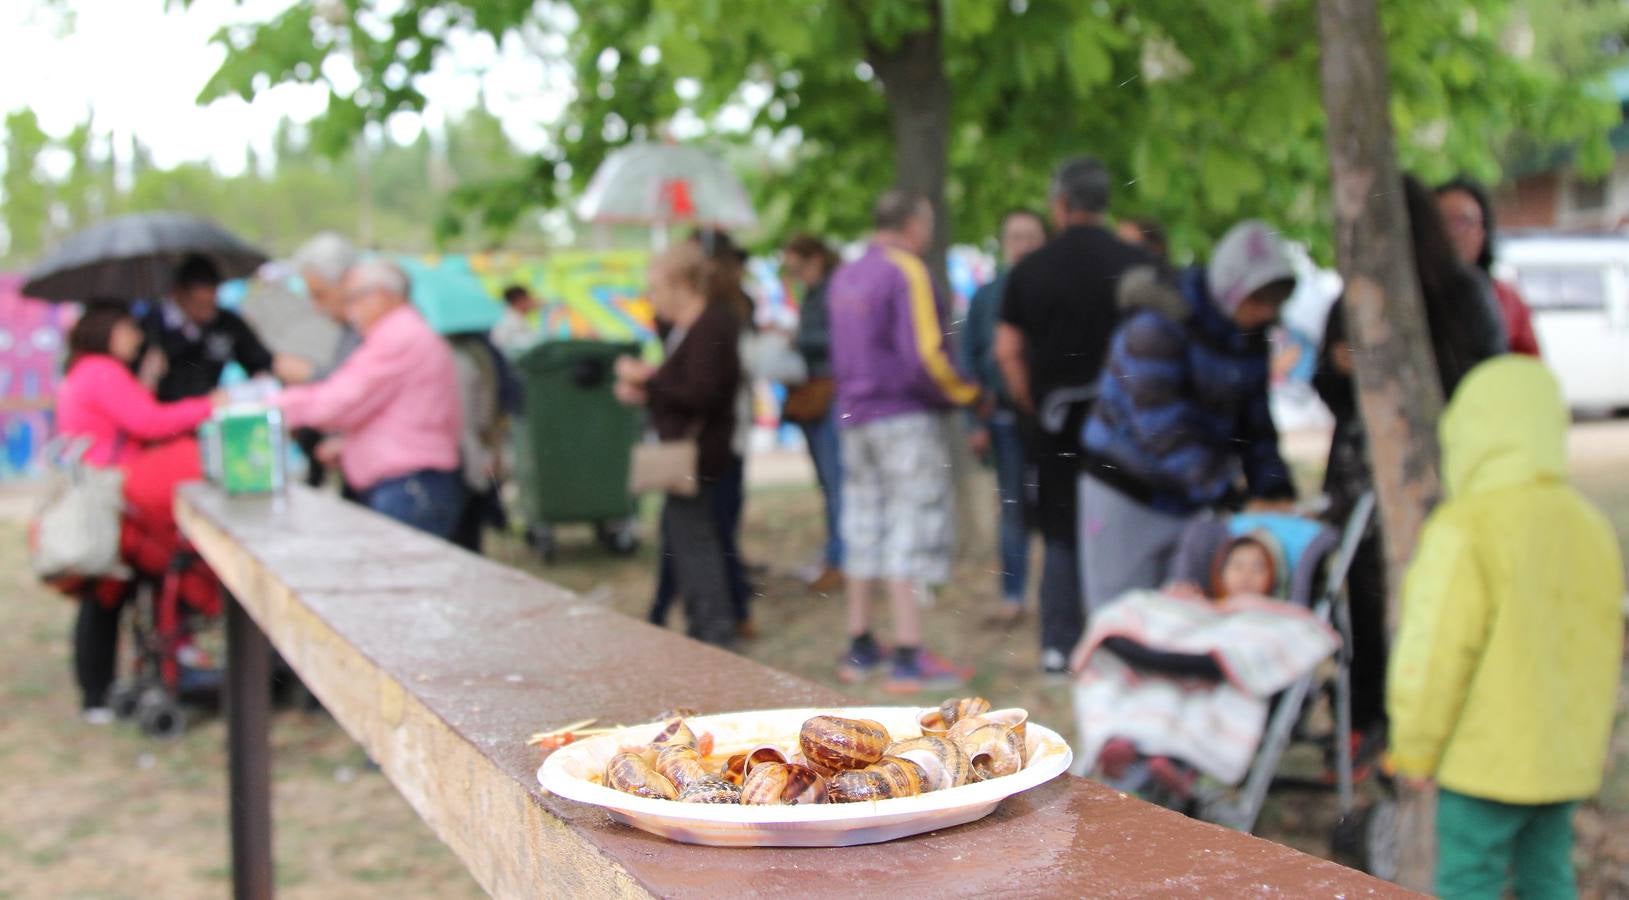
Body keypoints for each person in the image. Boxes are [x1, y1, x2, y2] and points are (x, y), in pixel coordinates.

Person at [1388, 357, 1622, 899]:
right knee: (1550, 880)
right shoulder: (1592, 527)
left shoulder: (1467, 527)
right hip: (1564, 761)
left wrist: (1416, 749)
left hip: (1482, 765)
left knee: (1469, 882)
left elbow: (1437, 650)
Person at [1314, 174, 1506, 740]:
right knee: (1364, 612)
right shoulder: (1350, 297)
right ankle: (1369, 725)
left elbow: (1485, 386)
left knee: (1438, 606)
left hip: (1438, 475)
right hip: (1359, 482)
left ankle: (1430, 726)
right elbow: (1325, 386)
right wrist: (1341, 368)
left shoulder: (1464, 293)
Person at [1080, 219, 1299, 614]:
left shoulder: (1248, 337)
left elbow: (1256, 423)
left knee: (1187, 618)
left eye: (1274, 302)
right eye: (1258, 299)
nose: (1265, 312)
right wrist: (1228, 491)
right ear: (1231, 287)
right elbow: (1161, 427)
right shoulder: (1157, 323)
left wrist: (1273, 487)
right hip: (1127, 492)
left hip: (1188, 500)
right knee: (1124, 618)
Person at [995, 156, 1152, 674]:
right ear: (1105, 203)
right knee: (1126, 523)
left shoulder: (1030, 269)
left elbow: (1007, 350)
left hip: (1058, 423)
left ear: (1060, 204)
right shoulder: (1137, 265)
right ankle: (1125, 637)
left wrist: (1034, 404)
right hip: (1128, 425)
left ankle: (1060, 646)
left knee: (1060, 530)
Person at [829, 189, 978, 693]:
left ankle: (860, 644)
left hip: (852, 416)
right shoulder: (906, 270)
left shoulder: (846, 274)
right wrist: (966, 393)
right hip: (901, 415)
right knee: (908, 525)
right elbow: (927, 354)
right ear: (914, 222)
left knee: (863, 522)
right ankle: (909, 656)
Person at [54, 303, 225, 721]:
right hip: (112, 498)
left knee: (111, 596)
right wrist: (210, 405)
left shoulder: (88, 370)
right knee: (106, 596)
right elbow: (148, 423)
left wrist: (147, 378)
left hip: (109, 495)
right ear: (107, 329)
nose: (136, 336)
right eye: (130, 328)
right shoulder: (102, 371)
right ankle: (97, 695)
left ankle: (102, 692)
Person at [274, 260, 466, 539]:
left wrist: (270, 403)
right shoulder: (405, 332)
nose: (349, 311)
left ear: (382, 295)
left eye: (354, 299)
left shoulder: (399, 336)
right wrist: (351, 445)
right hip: (413, 485)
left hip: (408, 487)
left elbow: (339, 401)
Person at [615, 242, 742, 649]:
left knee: (698, 546)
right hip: (690, 451)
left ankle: (713, 632)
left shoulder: (710, 326)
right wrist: (649, 389)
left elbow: (701, 392)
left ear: (681, 284)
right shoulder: (689, 327)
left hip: (700, 454)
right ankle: (703, 627)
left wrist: (648, 380)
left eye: (657, 287)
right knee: (687, 543)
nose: (653, 296)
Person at [961, 209, 1048, 625]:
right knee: (1012, 507)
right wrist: (974, 422)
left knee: (1052, 506)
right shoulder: (986, 298)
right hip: (1003, 420)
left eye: (1032, 236)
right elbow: (969, 362)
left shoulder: (1056, 290)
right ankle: (1013, 595)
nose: (1024, 244)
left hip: (1050, 422)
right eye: (1016, 236)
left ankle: (1055, 591)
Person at [781, 233, 845, 594]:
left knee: (836, 484)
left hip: (830, 394)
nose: (796, 275)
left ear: (816, 259)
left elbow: (840, 340)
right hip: (816, 395)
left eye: (798, 267)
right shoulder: (815, 294)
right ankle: (835, 557)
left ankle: (840, 561)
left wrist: (798, 340)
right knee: (829, 484)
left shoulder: (834, 292)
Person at [137, 254, 291, 401]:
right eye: (199, 304)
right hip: (167, 415)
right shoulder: (152, 326)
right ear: (178, 294)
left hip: (210, 410)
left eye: (211, 302)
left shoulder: (226, 323)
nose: (206, 311)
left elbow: (259, 360)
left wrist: (262, 380)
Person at [287, 232, 364, 492]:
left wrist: (307, 379)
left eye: (319, 295)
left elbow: (350, 389)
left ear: (345, 282)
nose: (317, 308)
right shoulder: (349, 329)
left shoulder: (371, 329)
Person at [1437, 177, 1542, 356]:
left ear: (1482, 232)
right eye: (1441, 221)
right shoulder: (1407, 296)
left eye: (1462, 222)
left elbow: (1528, 370)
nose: (1452, 234)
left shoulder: (1507, 299)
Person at [491, 284, 544, 358]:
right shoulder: (507, 321)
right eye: (528, 298)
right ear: (520, 300)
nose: (532, 300)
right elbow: (498, 343)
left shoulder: (521, 319)